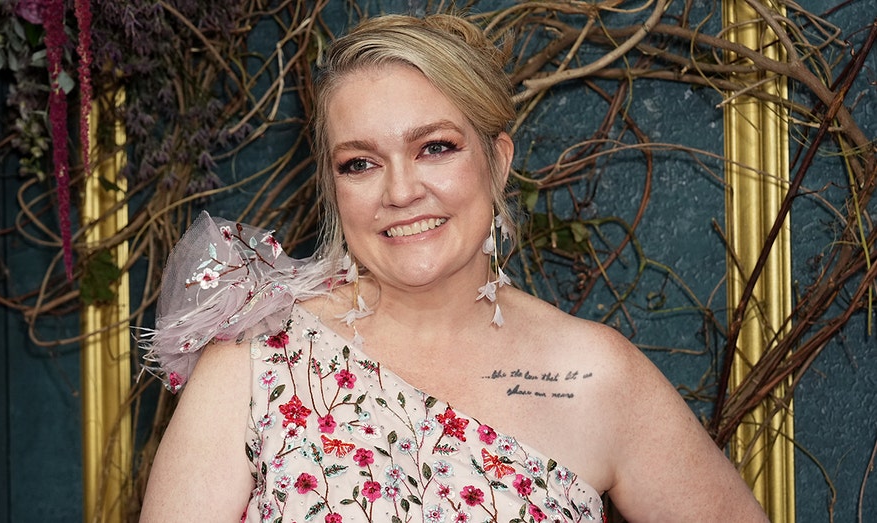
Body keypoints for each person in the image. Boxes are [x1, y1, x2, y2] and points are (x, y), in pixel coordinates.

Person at [139, 13, 770, 523]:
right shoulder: (254, 363)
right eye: (360, 163)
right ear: (333, 187)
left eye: (435, 148)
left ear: (498, 162)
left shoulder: (595, 377)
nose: (400, 191)